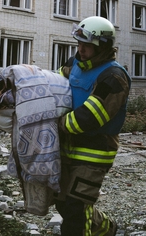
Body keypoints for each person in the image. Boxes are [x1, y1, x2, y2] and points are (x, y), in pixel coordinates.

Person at [55, 16, 131, 235]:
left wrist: (52, 123)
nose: (81, 50)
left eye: (86, 45)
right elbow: (56, 88)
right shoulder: (74, 64)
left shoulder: (114, 77)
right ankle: (108, 230)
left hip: (94, 151)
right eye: (79, 44)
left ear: (103, 46)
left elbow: (89, 117)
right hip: (69, 147)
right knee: (63, 203)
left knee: (76, 208)